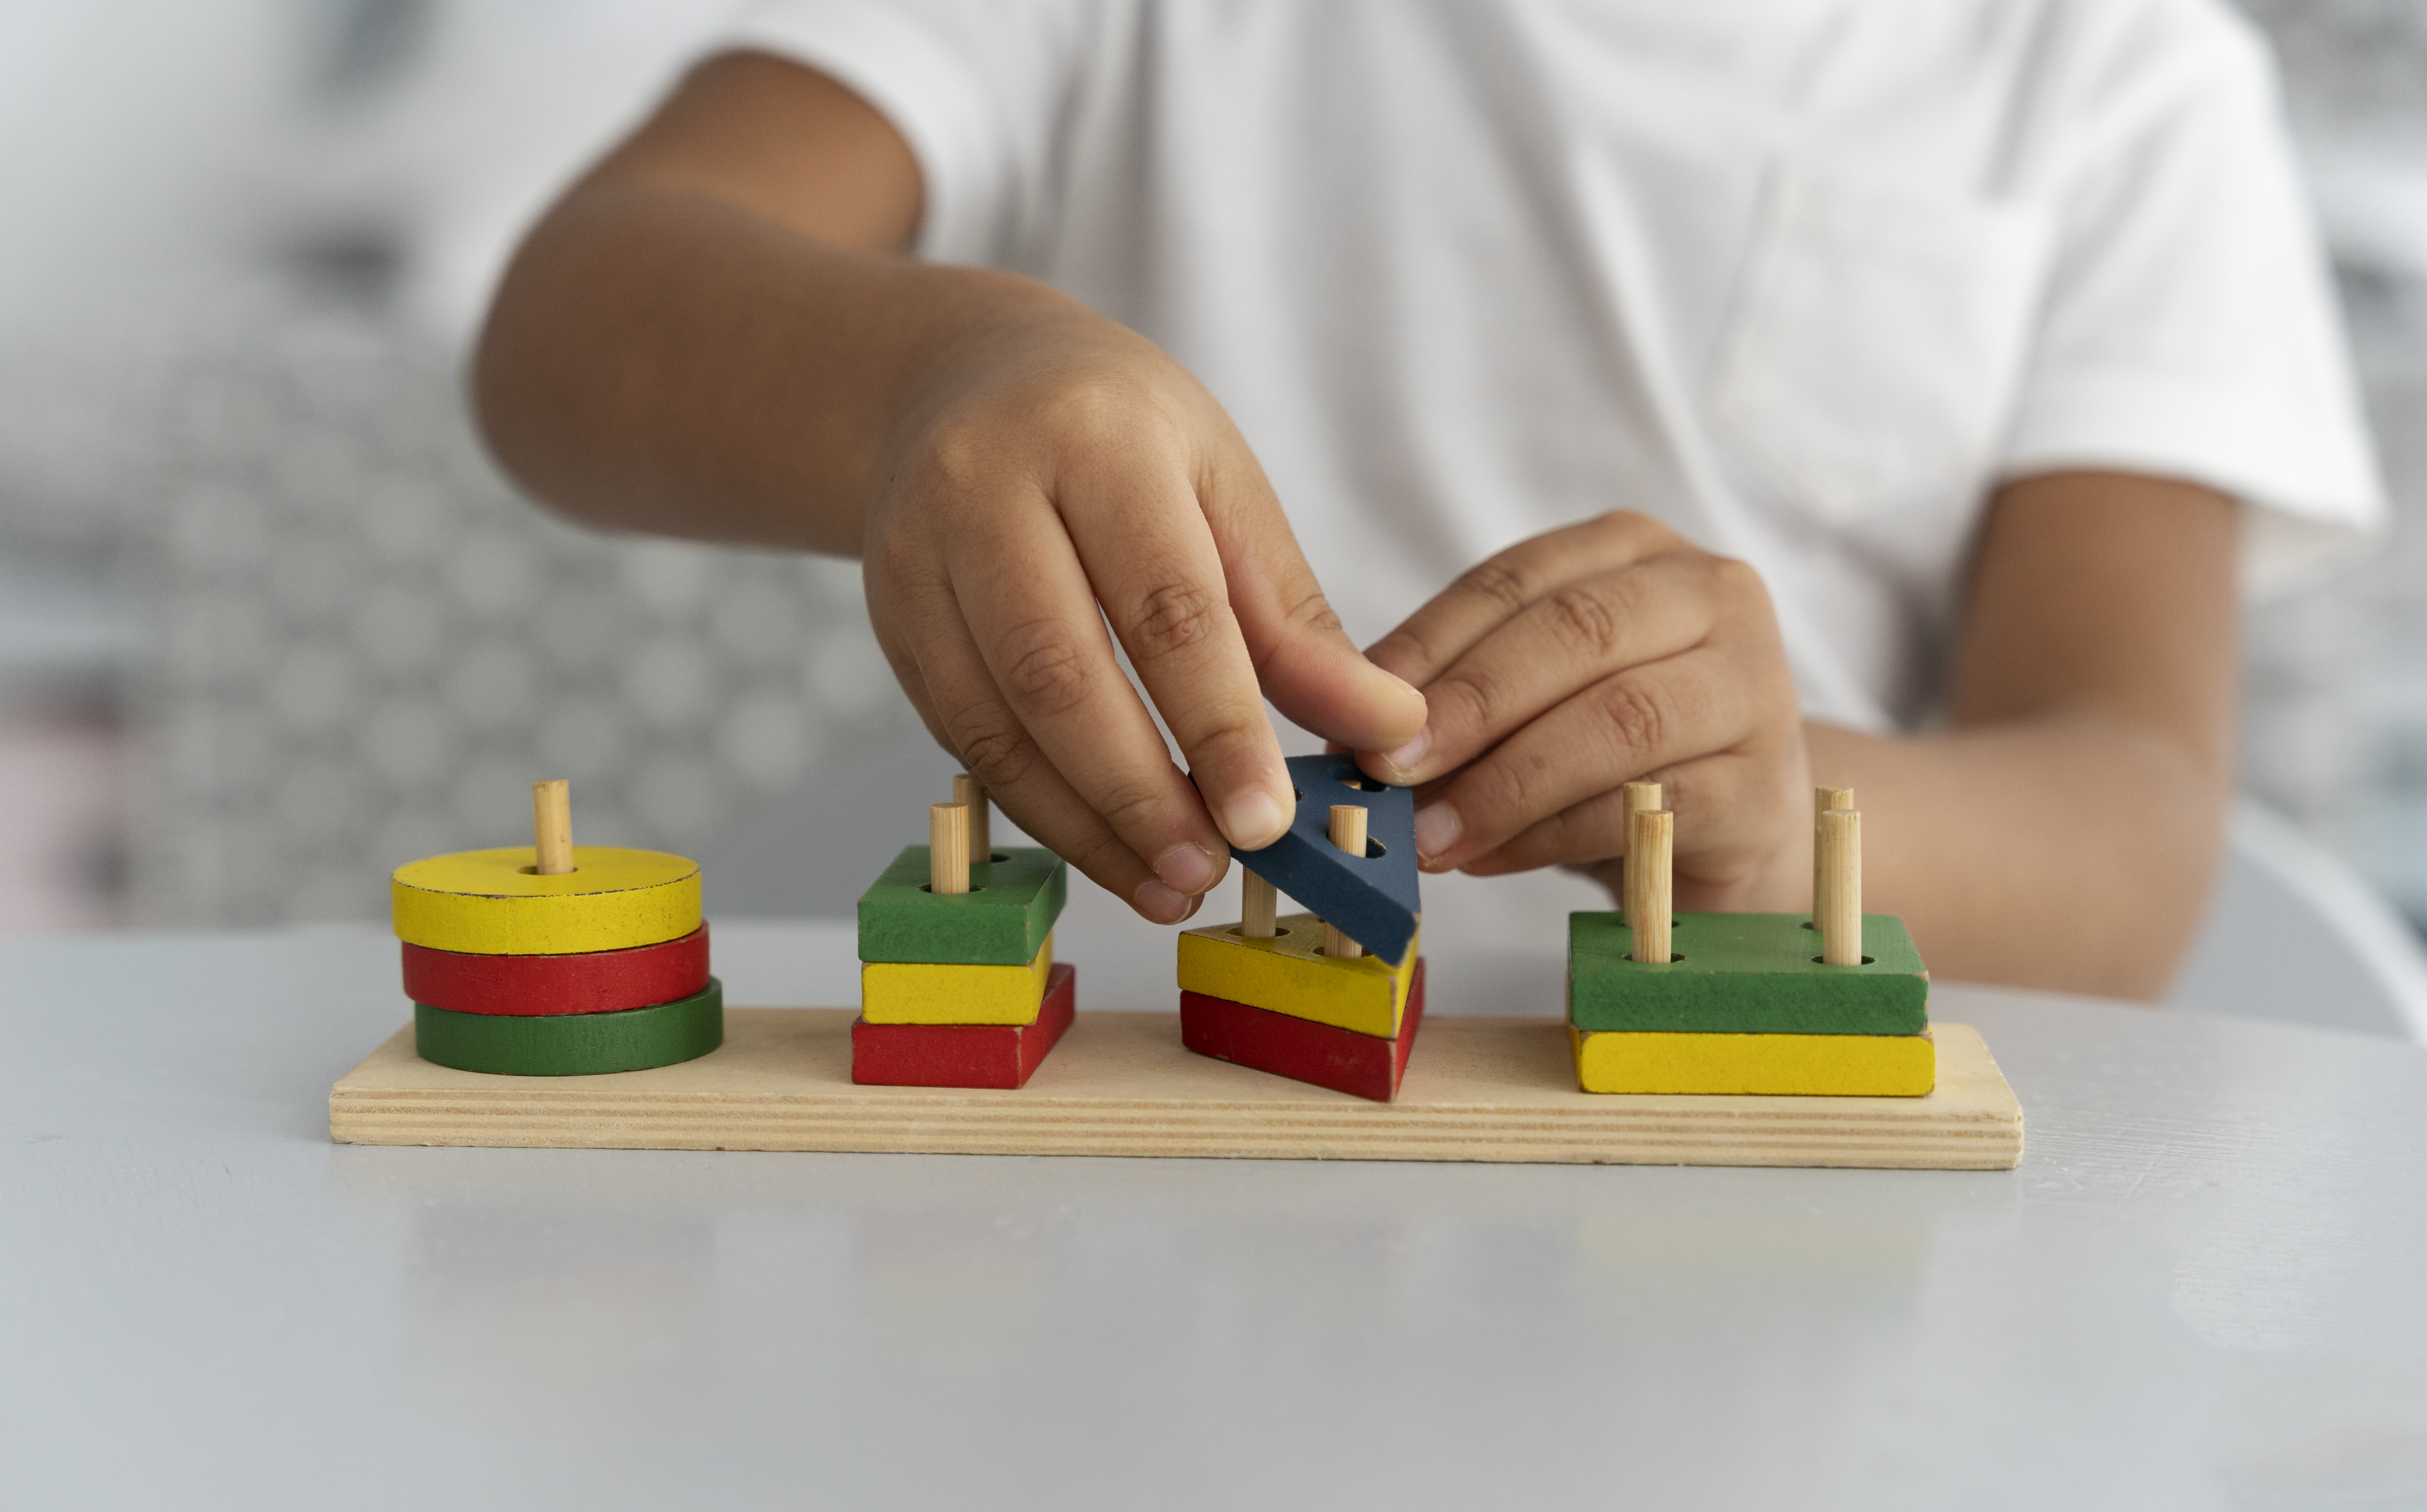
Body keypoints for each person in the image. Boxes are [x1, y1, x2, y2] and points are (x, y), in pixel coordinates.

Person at [473, 0, 2381, 996]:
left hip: (1742, 1241)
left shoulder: (2123, 81)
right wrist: (929, 377)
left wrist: (1777, 820)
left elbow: (2130, 808)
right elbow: (572, 316)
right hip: (1105, 1218)